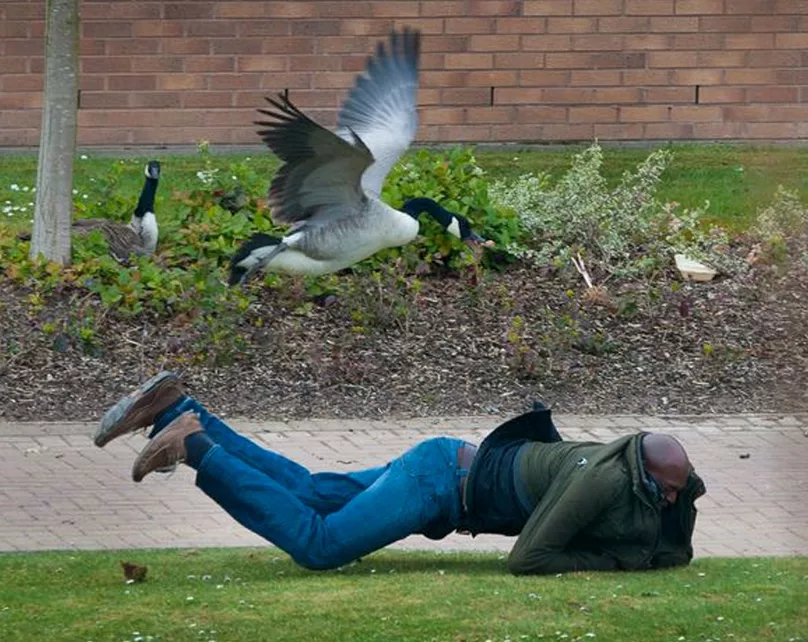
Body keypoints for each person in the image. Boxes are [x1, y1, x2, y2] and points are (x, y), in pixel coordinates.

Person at [94, 372, 706, 575]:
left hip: (444, 465)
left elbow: (675, 546)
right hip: (438, 484)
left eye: (677, 490)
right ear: (639, 470)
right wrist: (611, 563)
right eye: (665, 489)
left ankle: (177, 409)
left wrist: (676, 511)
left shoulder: (636, 467)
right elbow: (528, 559)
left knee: (311, 490)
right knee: (319, 544)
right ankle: (194, 446)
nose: (671, 497)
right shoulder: (598, 478)